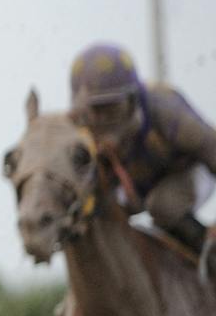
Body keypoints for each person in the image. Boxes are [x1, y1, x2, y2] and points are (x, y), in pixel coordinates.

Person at [67, 43, 216, 255]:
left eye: (110, 107)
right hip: (136, 188)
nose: (101, 119)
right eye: (95, 110)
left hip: (189, 171)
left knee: (162, 205)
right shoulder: (79, 129)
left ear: (132, 99)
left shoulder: (167, 111)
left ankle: (209, 255)